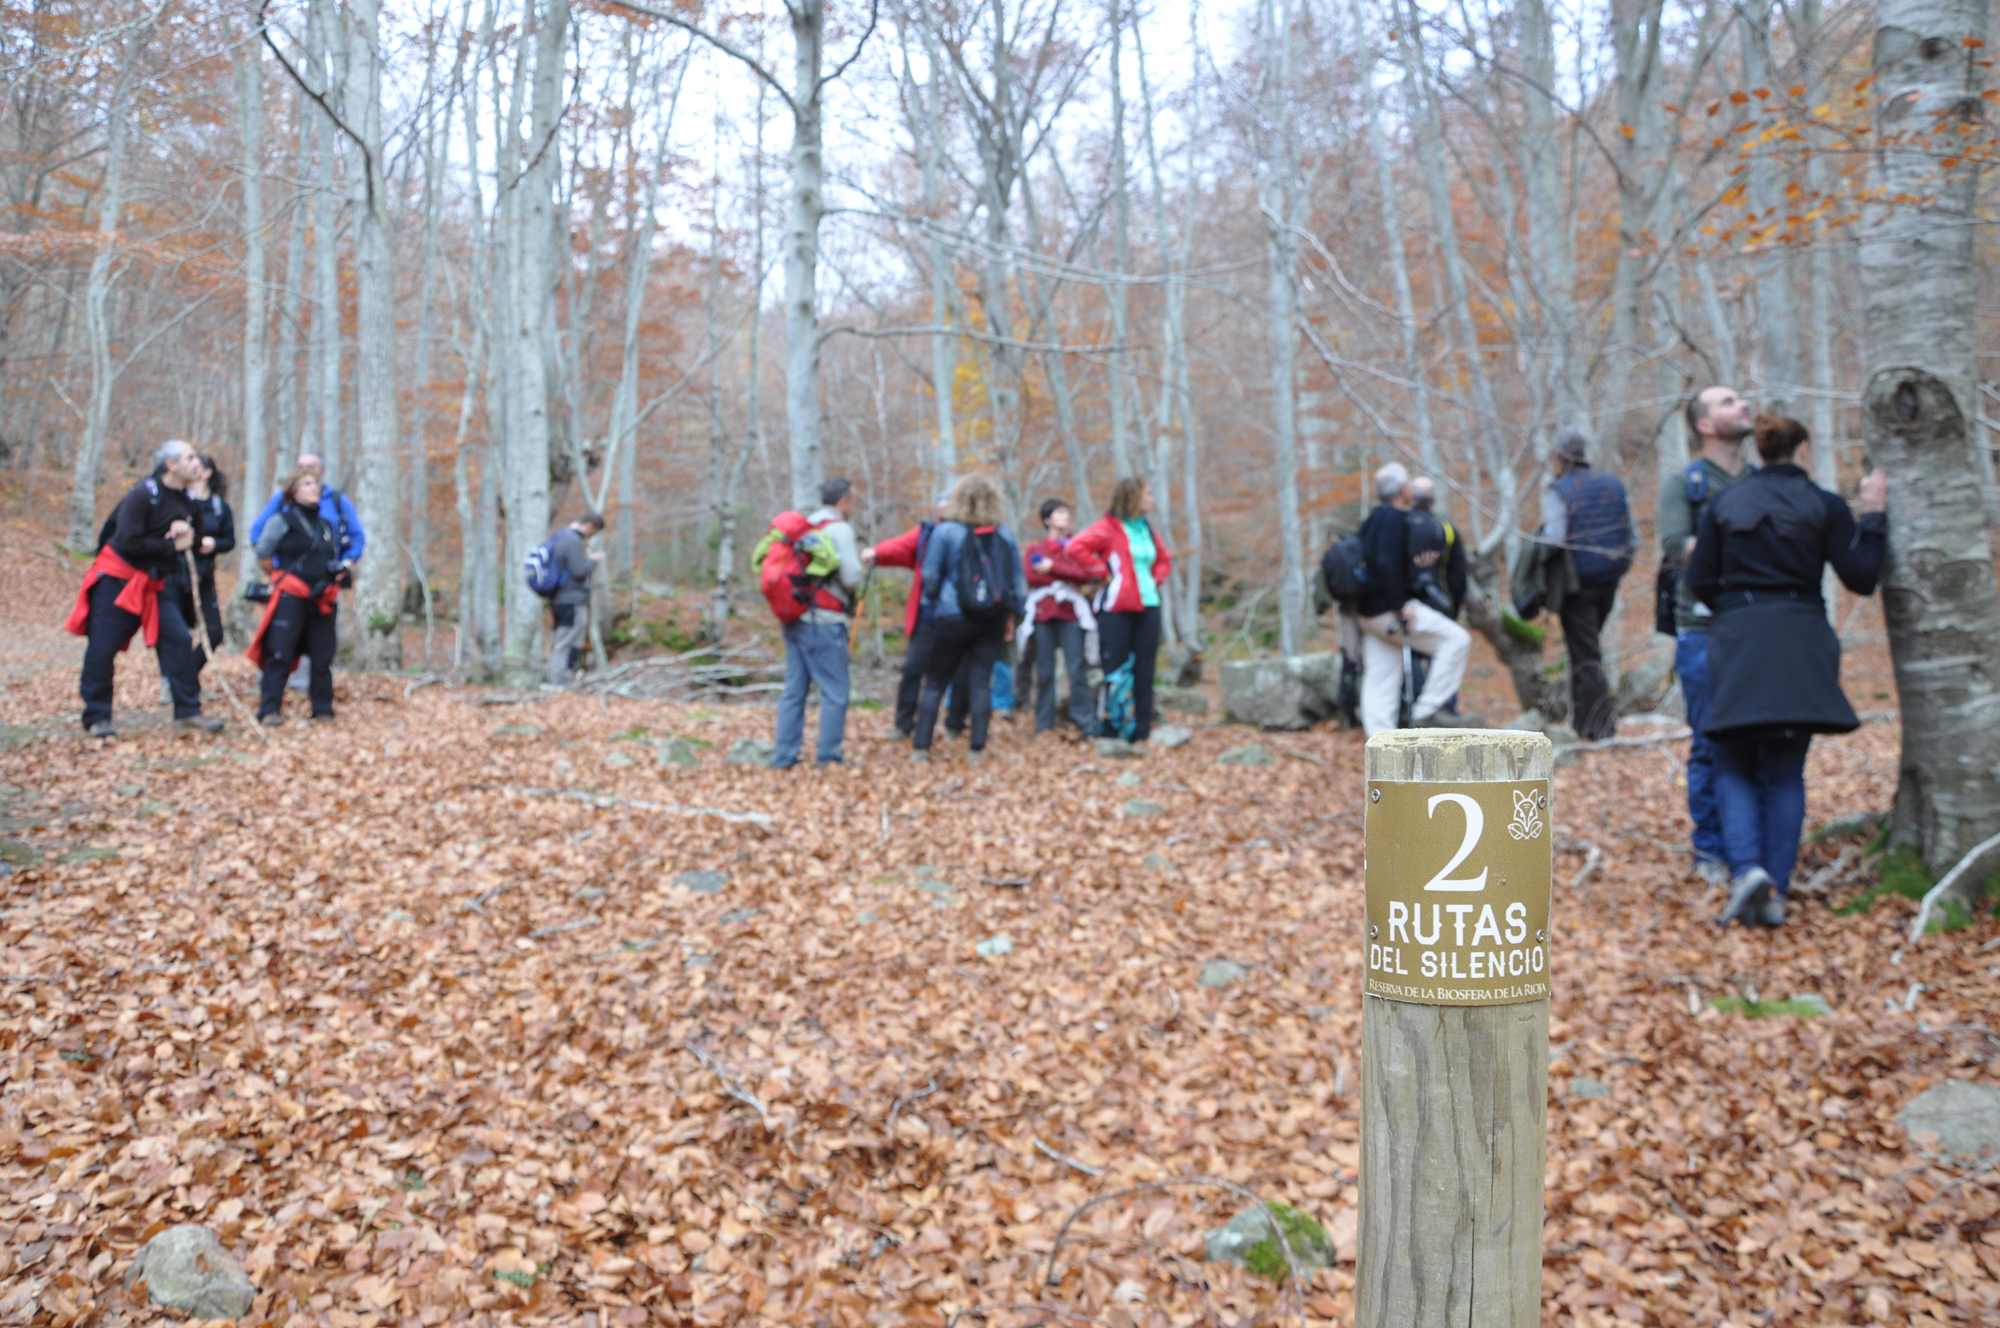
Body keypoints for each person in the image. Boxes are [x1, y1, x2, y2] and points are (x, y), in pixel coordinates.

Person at [1689, 415, 1886, 929]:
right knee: (1783, 772)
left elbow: (1698, 580)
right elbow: (1862, 577)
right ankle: (1771, 887)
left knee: (1729, 761)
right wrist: (1874, 515)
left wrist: (1738, 608)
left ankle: (1747, 871)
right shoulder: (1824, 504)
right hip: (1801, 640)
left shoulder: (1725, 503)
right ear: (1803, 449)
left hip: (1738, 640)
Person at [1660, 386, 1755, 886]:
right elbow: (1676, 546)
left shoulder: (1760, 479)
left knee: (1760, 741)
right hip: (1702, 634)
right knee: (1709, 744)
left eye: (1740, 400)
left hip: (1759, 634)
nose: (1743, 406)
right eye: (1728, 402)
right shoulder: (1686, 484)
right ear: (1705, 424)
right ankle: (1711, 851)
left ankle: (1753, 848)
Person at [67, 440, 224, 736]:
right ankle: (97, 716)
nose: (197, 463)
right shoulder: (142, 495)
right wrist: (170, 545)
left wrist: (185, 529)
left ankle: (188, 710)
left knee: (178, 640)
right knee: (103, 647)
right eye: (189, 458)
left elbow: (197, 538)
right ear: (171, 465)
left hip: (155, 584)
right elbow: (127, 541)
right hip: (118, 581)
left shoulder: (189, 501)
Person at [911, 473, 1024, 761]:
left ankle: (921, 748)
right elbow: (1015, 581)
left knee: (936, 681)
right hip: (992, 619)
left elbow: (931, 575)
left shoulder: (947, 532)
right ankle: (976, 749)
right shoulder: (1004, 534)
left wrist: (936, 605)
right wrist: (1011, 618)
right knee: (979, 681)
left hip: (952, 616)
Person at [1353, 463, 1470, 735]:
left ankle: (1379, 746)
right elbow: (1387, 564)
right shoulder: (1393, 518)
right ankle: (1425, 713)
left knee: (1381, 680)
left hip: (1368, 614)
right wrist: (1401, 605)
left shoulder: (1372, 519)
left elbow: (1378, 562)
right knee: (1457, 641)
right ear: (1403, 489)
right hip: (1390, 613)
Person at [1542, 428, 1638, 741]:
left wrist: (1536, 557)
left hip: (1577, 585)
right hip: (1610, 579)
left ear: (1559, 456)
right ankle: (1582, 723)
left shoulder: (1558, 490)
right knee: (1585, 648)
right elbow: (1632, 536)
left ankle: (1601, 727)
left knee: (1585, 654)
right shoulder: (1613, 483)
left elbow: (1554, 540)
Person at [1068, 477, 1172, 743]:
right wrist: (1102, 573)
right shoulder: (1108, 528)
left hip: (1149, 605)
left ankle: (1141, 729)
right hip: (1116, 608)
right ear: (1133, 496)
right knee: (1115, 667)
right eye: (1149, 493)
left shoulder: (1145, 528)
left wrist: (1154, 580)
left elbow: (1163, 559)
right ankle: (1113, 725)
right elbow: (1076, 546)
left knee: (1145, 668)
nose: (1153, 498)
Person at [250, 452, 362, 691]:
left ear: (322, 472)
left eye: (311, 470)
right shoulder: (280, 506)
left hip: (324, 590)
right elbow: (259, 538)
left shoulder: (337, 502)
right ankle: (271, 703)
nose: (308, 476)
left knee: (322, 654)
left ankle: (319, 706)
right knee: (281, 647)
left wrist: (347, 563)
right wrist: (278, 573)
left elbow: (356, 537)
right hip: (290, 588)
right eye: (301, 469)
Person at [772, 478, 864, 768]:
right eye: (852, 502)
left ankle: (784, 756)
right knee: (836, 692)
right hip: (824, 621)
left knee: (794, 691)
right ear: (844, 501)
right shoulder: (839, 529)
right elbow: (850, 578)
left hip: (795, 617)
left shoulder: (803, 527)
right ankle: (828, 756)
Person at [865, 492, 968, 739]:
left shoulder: (970, 535)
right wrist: (876, 553)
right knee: (913, 669)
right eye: (940, 511)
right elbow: (900, 547)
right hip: (927, 616)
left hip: (961, 617)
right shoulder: (925, 534)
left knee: (961, 672)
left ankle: (955, 724)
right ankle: (903, 723)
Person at [247, 469, 345, 724]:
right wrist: (282, 579)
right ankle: (269, 711)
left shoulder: (327, 526)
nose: (314, 487)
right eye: (307, 483)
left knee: (322, 658)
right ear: (293, 491)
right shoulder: (282, 520)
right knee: (280, 653)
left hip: (322, 598)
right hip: (291, 596)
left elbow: (331, 558)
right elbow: (264, 554)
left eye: (316, 484)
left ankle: (323, 710)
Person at [1019, 498, 1100, 736]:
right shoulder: (1035, 549)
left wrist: (1052, 567)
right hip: (1043, 616)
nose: (1066, 516)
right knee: (1044, 671)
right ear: (1047, 520)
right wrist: (1064, 576)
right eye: (1060, 512)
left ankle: (1085, 722)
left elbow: (1084, 575)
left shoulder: (1074, 547)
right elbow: (1031, 577)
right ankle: (1044, 724)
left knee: (1076, 669)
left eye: (1067, 512)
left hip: (1070, 615)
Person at [163, 455, 235, 696]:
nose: (193, 469)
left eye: (198, 466)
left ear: (207, 473)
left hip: (204, 576)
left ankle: (184, 680)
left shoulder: (218, 506)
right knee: (178, 634)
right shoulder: (177, 500)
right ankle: (175, 685)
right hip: (174, 574)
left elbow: (229, 540)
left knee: (215, 633)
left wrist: (213, 543)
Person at [544, 512, 605, 686]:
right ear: (590, 526)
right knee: (563, 643)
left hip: (562, 599)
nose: (590, 536)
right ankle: (558, 686)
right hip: (569, 601)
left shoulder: (560, 537)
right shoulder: (571, 541)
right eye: (593, 532)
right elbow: (579, 570)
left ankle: (565, 681)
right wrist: (593, 561)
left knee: (571, 643)